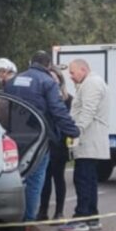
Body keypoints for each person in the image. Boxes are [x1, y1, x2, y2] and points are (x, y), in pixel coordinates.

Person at [3, 51, 80, 231]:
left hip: (14, 137)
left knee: (16, 178)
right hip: (38, 138)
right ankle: (28, 221)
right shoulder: (47, 82)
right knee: (36, 178)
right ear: (48, 65)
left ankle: (12, 218)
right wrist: (73, 130)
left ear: (30, 62)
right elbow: (57, 110)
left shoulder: (12, 81)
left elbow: (5, 107)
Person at [59, 59, 110, 231]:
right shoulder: (91, 83)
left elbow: (88, 110)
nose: (71, 77)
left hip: (89, 140)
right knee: (89, 180)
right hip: (90, 139)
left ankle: (81, 218)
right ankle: (92, 218)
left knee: (82, 179)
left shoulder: (92, 84)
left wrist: (76, 131)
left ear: (83, 69)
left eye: (72, 73)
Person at [38, 67, 71, 222]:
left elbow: (68, 120)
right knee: (44, 178)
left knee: (58, 177)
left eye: (55, 77)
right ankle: (42, 211)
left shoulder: (67, 99)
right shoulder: (42, 99)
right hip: (45, 143)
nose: (52, 80)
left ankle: (59, 212)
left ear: (60, 80)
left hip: (60, 143)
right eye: (49, 77)